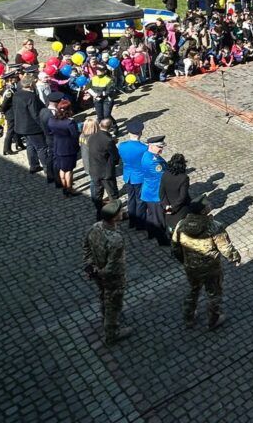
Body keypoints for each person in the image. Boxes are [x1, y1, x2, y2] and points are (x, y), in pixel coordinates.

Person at [171, 199, 241, 330]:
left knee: (194, 290)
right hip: (211, 268)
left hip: (191, 267)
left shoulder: (181, 225)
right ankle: (213, 320)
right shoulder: (214, 227)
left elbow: (175, 247)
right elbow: (226, 248)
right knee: (214, 294)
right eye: (207, 203)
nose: (210, 203)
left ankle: (188, 317)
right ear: (203, 211)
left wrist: (185, 261)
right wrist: (235, 258)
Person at [82, 200, 131, 346]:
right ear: (114, 217)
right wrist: (102, 272)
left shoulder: (95, 227)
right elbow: (113, 265)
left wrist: (91, 267)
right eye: (120, 212)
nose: (122, 213)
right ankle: (112, 333)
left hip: (97, 273)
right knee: (114, 303)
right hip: (112, 278)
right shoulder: (116, 239)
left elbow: (86, 247)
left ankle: (104, 314)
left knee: (103, 295)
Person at [12, 73, 46, 175]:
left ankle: (34, 165)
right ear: (31, 84)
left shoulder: (17, 94)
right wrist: (43, 126)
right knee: (41, 147)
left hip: (21, 126)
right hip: (32, 127)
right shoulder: (31, 96)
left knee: (30, 146)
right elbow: (35, 114)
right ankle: (48, 170)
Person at [88, 118, 121, 221]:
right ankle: (114, 215)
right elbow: (115, 157)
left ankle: (99, 213)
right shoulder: (108, 140)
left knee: (98, 194)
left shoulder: (92, 137)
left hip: (94, 170)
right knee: (113, 194)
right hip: (106, 173)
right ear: (110, 127)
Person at [118, 121, 148, 231]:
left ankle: (132, 221)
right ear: (140, 133)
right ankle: (140, 224)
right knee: (140, 200)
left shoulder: (122, 146)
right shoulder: (144, 148)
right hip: (139, 177)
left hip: (128, 176)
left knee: (131, 199)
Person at [139, 136, 169, 245]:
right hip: (155, 193)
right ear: (151, 146)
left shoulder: (149, 155)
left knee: (151, 215)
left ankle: (151, 233)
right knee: (159, 218)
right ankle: (162, 240)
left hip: (149, 191)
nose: (161, 149)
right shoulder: (153, 162)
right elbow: (164, 177)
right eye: (159, 147)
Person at [48, 99, 80, 196]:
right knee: (69, 170)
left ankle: (64, 187)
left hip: (58, 146)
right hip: (68, 149)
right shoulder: (69, 123)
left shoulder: (51, 120)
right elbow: (75, 135)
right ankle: (69, 189)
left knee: (62, 169)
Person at [160, 153, 191, 235]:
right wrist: (173, 207)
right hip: (181, 209)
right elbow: (182, 196)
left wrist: (166, 206)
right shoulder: (184, 178)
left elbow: (161, 193)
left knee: (171, 227)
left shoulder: (165, 174)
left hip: (168, 208)